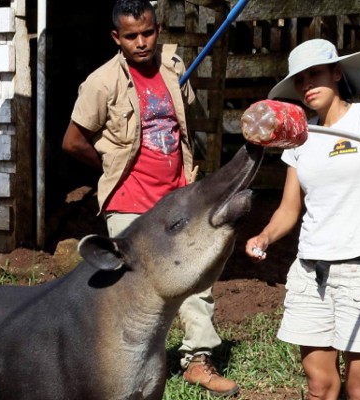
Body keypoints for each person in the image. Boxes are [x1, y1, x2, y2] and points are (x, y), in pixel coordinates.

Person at [62, 0, 239, 396]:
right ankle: (116, 362)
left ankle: (198, 359)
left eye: (148, 33)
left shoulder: (174, 69)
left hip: (176, 197)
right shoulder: (101, 82)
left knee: (194, 276)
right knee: (128, 290)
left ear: (158, 29)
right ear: (116, 38)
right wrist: (111, 166)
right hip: (130, 202)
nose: (141, 42)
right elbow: (72, 141)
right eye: (131, 36)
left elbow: (182, 123)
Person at [245, 39, 360, 400]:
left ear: (337, 73)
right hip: (310, 273)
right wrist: (264, 236)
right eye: (300, 80)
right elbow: (289, 210)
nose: (307, 85)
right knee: (320, 387)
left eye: (315, 75)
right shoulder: (301, 138)